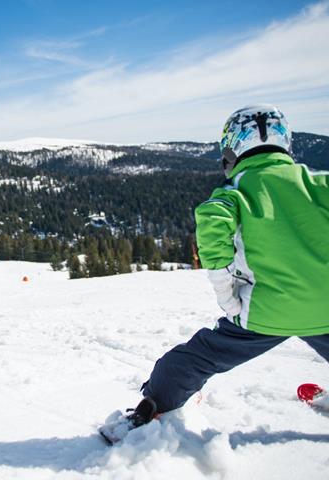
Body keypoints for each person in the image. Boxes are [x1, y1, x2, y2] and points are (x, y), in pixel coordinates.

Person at [102, 104, 329, 438]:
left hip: (264, 314)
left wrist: (226, 293)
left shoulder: (234, 192)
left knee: (193, 360)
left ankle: (149, 410)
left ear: (231, 150)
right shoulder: (319, 183)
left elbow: (211, 224)